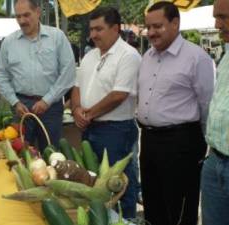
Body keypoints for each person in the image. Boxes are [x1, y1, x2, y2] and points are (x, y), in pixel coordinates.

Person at [138, 2, 214, 225]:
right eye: (148, 27)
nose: (151, 32)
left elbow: (207, 104)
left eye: (158, 26)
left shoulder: (196, 58)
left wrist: (199, 145)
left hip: (181, 143)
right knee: (153, 204)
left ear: (175, 23)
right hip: (149, 141)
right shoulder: (147, 57)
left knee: (179, 208)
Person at [70, 7, 141, 219]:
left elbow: (119, 94)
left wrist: (87, 114)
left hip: (116, 131)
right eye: (91, 29)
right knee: (94, 181)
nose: (93, 35)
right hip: (90, 128)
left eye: (99, 29)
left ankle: (125, 221)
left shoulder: (129, 55)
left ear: (116, 28)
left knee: (120, 184)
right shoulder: (90, 56)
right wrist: (75, 110)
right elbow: (76, 88)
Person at [0, 0, 75, 151]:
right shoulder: (9, 42)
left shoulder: (57, 37)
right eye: (18, 16)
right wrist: (14, 102)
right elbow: (1, 74)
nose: (22, 21)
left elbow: (68, 72)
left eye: (26, 15)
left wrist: (47, 100)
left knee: (50, 153)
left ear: (38, 12)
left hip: (51, 107)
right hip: (21, 106)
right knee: (21, 153)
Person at [201, 0, 229, 224]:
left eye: (223, 17)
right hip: (215, 160)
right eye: (216, 17)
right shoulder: (226, 55)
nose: (217, 25)